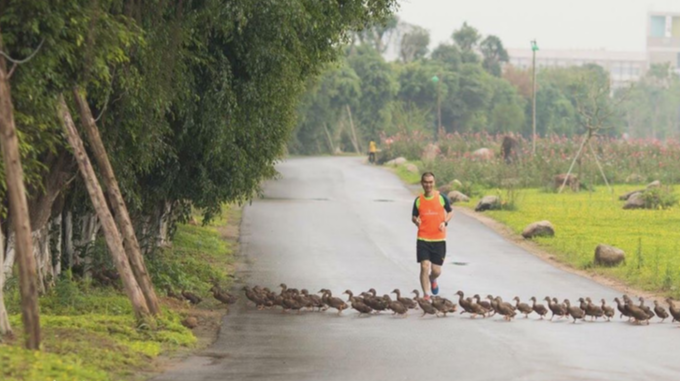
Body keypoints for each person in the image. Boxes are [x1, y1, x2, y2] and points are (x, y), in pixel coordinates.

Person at [411, 172, 453, 300]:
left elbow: (450, 212)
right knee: (424, 266)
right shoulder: (418, 200)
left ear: (434, 183)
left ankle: (432, 279)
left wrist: (444, 222)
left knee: (436, 270)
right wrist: (415, 221)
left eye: (430, 182)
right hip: (423, 238)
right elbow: (413, 216)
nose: (428, 185)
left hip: (439, 239)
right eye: (426, 182)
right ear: (422, 183)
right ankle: (426, 295)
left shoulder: (441, 197)